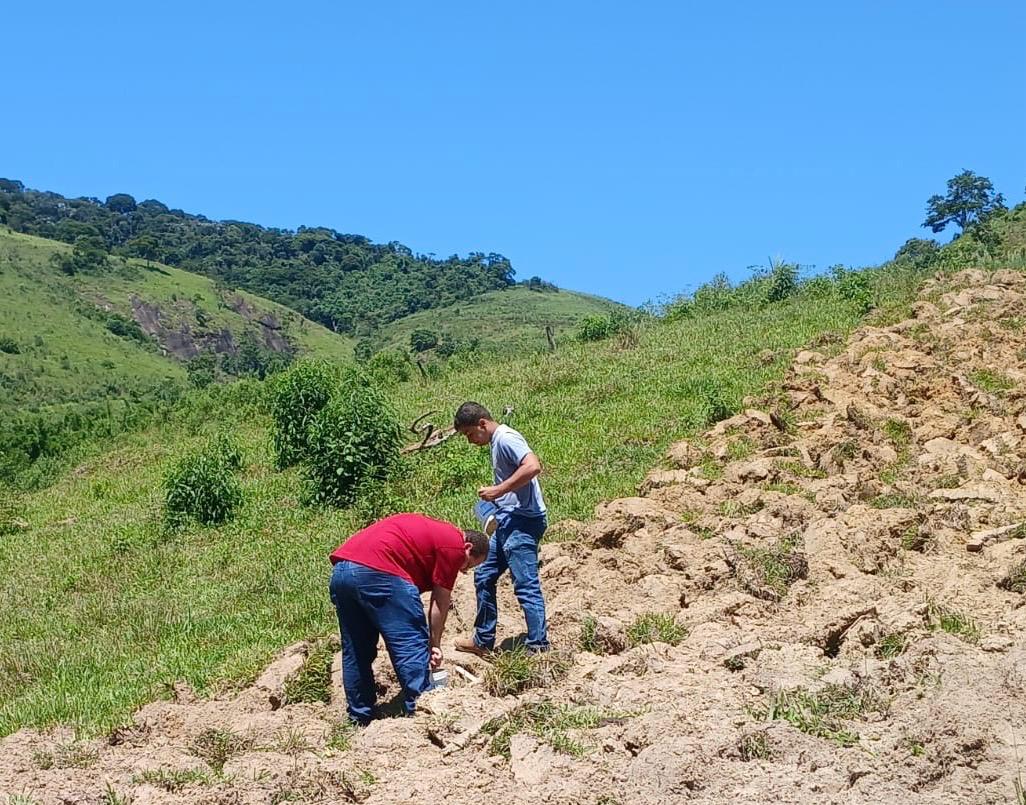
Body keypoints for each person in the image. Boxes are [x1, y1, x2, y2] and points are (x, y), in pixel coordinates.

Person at [328, 513, 489, 725]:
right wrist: (434, 643)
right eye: (467, 565)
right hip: (380, 571)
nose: (462, 570)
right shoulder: (454, 546)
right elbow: (440, 600)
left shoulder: (431, 531)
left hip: (342, 573)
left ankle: (360, 716)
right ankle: (427, 709)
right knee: (410, 642)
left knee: (357, 650)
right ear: (468, 548)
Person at [452, 401, 550, 656]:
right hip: (508, 520)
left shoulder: (506, 438)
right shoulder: (496, 442)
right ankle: (483, 640)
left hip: (524, 522)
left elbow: (533, 466)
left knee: (525, 584)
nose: (470, 440)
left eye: (470, 434)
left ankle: (538, 646)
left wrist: (499, 490)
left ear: (482, 424)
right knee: (483, 575)